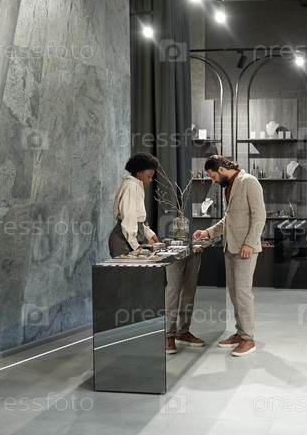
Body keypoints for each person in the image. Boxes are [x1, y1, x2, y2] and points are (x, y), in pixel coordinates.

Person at [109, 152, 204, 354]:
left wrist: (150, 235)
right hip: (124, 240)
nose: (150, 180)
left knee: (137, 288)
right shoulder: (131, 186)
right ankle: (126, 339)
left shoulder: (136, 185)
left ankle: (154, 335)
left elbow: (139, 221)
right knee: (129, 289)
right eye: (149, 175)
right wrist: (136, 245)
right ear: (139, 172)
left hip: (132, 236)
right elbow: (128, 220)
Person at [192, 155, 265, 357]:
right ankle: (240, 333)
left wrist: (249, 242)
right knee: (234, 293)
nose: (213, 181)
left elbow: (260, 216)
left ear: (222, 170)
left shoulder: (249, 182)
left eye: (213, 176)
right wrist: (208, 232)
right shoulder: (228, 186)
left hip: (245, 248)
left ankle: (248, 339)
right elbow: (229, 219)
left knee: (243, 293)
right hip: (230, 247)